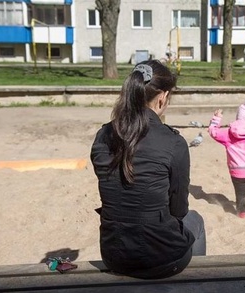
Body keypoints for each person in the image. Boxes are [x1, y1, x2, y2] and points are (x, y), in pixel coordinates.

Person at [90, 60, 206, 279]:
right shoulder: (173, 143)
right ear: (162, 97)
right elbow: (179, 210)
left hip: (114, 255)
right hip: (161, 260)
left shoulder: (103, 136)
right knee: (195, 220)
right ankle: (193, 283)